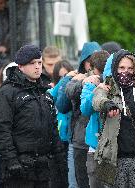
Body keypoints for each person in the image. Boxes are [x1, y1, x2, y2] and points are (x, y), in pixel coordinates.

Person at [0, 44, 67, 188]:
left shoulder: (44, 91)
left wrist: (59, 158)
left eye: (39, 62)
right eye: (32, 63)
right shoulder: (8, 92)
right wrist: (11, 160)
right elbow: (1, 129)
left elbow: (52, 128)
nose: (37, 67)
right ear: (20, 66)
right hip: (19, 167)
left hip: (43, 167)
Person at [93, 49, 135, 187]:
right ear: (114, 68)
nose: (126, 72)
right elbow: (97, 100)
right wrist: (106, 104)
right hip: (113, 158)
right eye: (122, 67)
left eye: (130, 68)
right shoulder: (107, 87)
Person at [56, 41, 101, 188]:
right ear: (83, 63)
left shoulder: (107, 79)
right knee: (76, 184)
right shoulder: (77, 79)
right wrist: (78, 82)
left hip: (101, 143)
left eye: (96, 61)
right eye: (89, 62)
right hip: (79, 142)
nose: (92, 66)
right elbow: (62, 105)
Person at [80, 50, 110, 188]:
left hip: (112, 149)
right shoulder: (90, 84)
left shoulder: (116, 83)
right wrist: (96, 90)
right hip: (95, 148)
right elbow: (85, 109)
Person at [48, 59, 73, 188]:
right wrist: (65, 80)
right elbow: (51, 96)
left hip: (68, 138)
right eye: (61, 76)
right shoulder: (52, 88)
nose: (64, 78)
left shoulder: (73, 89)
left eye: (67, 75)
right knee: (56, 178)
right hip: (55, 140)